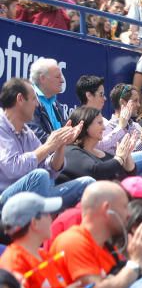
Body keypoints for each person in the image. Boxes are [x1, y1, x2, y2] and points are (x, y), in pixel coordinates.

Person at [50, 181, 142, 288]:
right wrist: (135, 263)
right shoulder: (73, 241)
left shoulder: (108, 248)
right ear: (107, 209)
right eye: (124, 207)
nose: (129, 214)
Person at [0, 77, 92, 208]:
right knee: (39, 176)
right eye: (33, 99)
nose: (37, 104)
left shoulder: (26, 131)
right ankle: (44, 218)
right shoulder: (1, 125)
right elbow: (13, 168)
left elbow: (50, 170)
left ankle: (51, 216)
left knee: (87, 184)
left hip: (35, 195)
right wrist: (48, 146)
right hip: (5, 199)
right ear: (20, 99)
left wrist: (61, 144)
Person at [27, 58, 70, 143]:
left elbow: (63, 132)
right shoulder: (29, 100)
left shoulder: (55, 104)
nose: (62, 80)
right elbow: (35, 135)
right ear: (42, 78)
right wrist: (60, 144)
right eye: (57, 77)